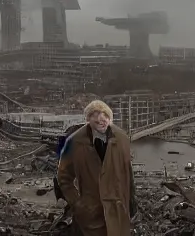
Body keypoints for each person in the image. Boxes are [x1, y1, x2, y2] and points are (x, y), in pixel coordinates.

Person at [56, 100, 137, 235]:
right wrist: (77, 204)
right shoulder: (75, 142)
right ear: (88, 119)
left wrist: (132, 202)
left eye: (105, 115)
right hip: (91, 211)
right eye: (95, 115)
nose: (101, 119)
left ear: (109, 118)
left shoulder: (122, 138)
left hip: (118, 209)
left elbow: (128, 172)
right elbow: (63, 177)